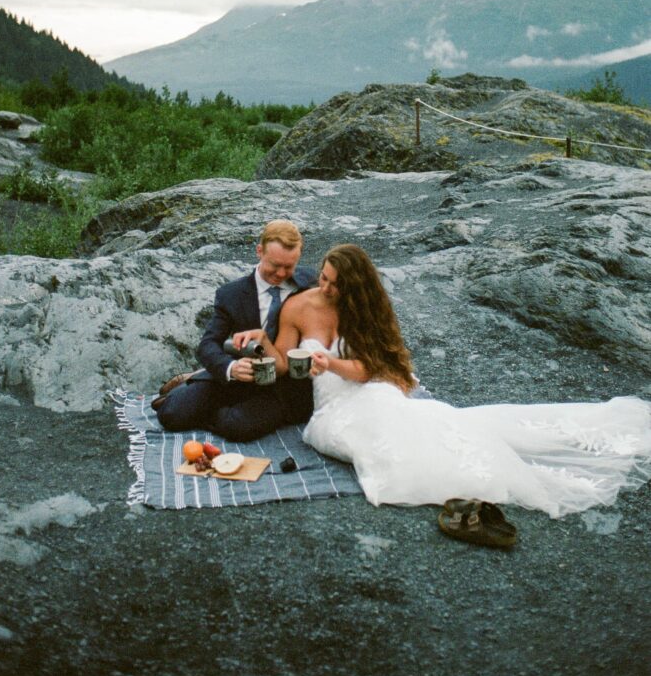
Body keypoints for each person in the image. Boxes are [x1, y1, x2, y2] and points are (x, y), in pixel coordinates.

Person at [267, 243, 651, 518]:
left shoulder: (362, 310)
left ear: (354, 288)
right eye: (324, 278)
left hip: (369, 387)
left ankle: (458, 466)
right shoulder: (299, 305)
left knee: (393, 411)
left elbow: (370, 369)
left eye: (337, 284)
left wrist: (330, 364)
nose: (328, 288)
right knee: (377, 438)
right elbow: (283, 362)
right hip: (333, 408)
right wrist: (261, 344)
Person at [154, 220, 317, 441]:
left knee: (236, 427)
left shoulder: (311, 284)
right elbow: (208, 345)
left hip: (282, 386)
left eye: (289, 267)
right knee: (171, 416)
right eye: (274, 265)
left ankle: (201, 386)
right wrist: (230, 368)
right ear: (259, 251)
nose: (280, 274)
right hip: (238, 376)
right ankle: (194, 387)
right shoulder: (230, 294)